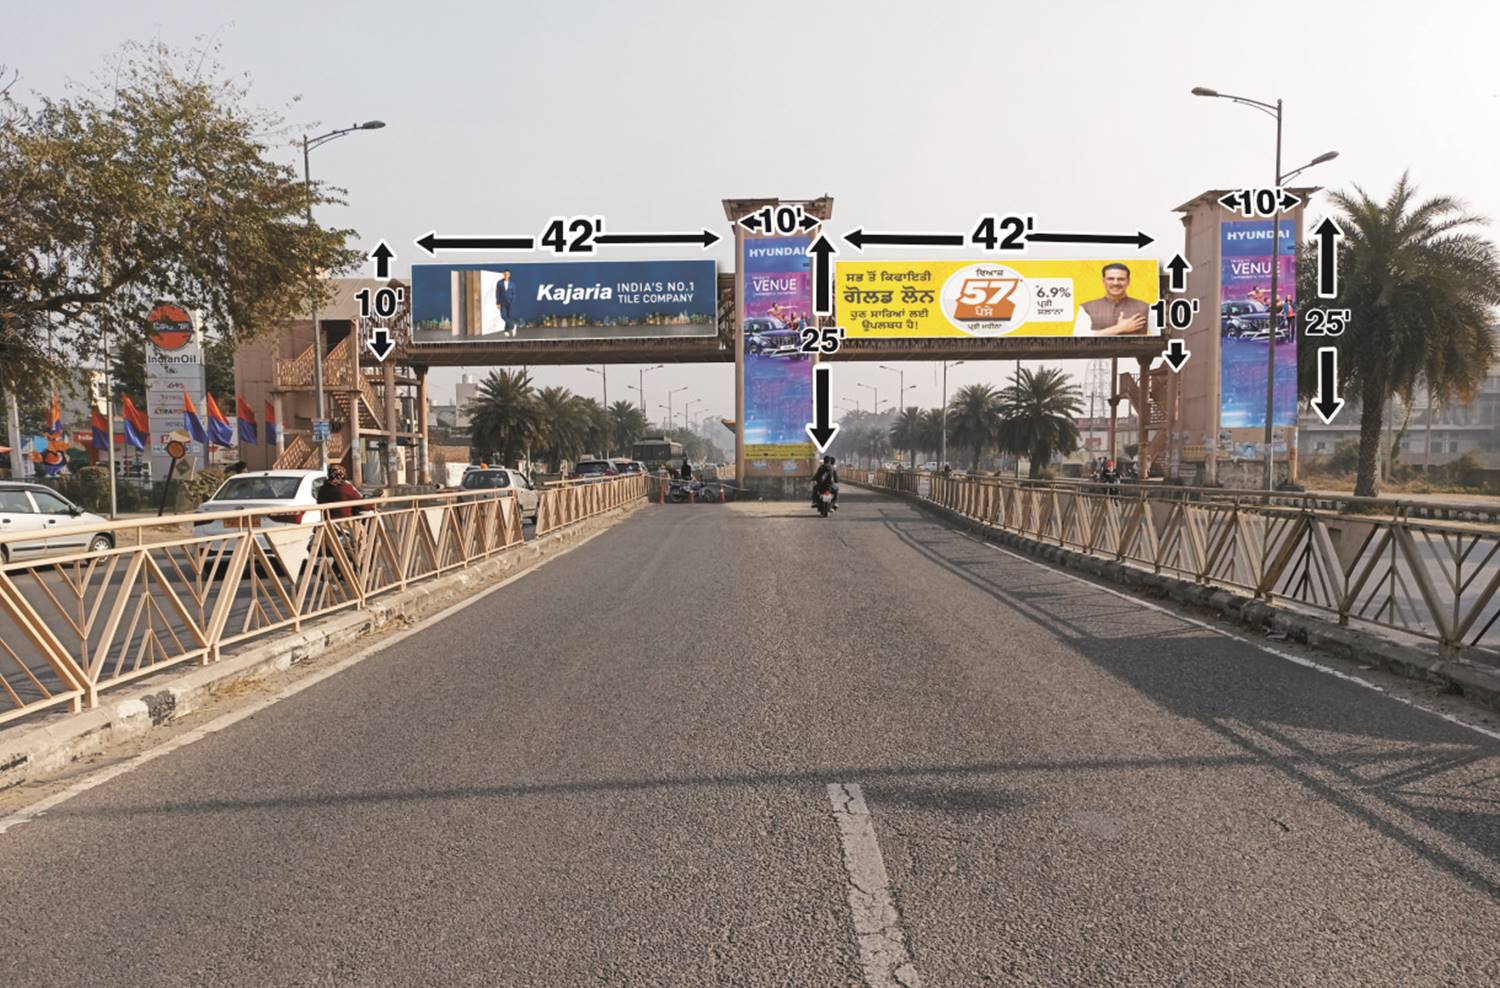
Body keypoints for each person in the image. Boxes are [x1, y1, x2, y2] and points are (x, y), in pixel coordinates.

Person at [1073, 263, 1151, 337]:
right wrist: (1120, 328)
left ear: (1128, 281)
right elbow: (1078, 338)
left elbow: (1159, 339)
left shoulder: (1146, 308)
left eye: (1121, 279)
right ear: (1103, 281)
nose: (1115, 283)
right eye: (1110, 279)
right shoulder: (1086, 308)